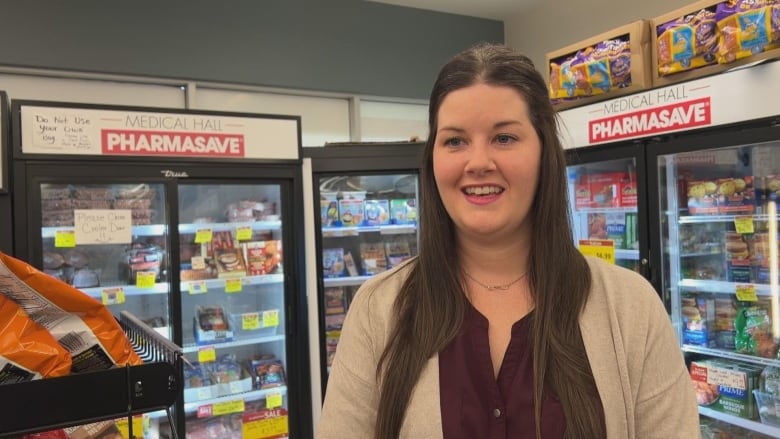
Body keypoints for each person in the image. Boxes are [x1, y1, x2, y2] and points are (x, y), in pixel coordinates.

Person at [316, 42, 699, 439]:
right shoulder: (379, 310)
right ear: (433, 159)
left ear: (543, 152)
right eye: (454, 141)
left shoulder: (631, 308)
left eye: (504, 138)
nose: (478, 162)